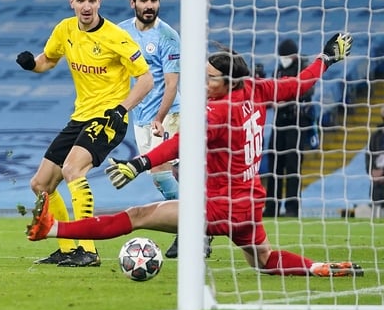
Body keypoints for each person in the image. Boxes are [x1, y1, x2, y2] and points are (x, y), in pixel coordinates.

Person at [26, 33, 365, 277]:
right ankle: (322, 268)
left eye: (210, 78)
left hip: (219, 205)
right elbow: (300, 83)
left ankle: (53, 229)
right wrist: (326, 59)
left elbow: (181, 143)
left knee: (139, 214)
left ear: (228, 81)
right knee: (263, 260)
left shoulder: (218, 112)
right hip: (249, 202)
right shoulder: (255, 89)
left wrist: (139, 163)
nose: (203, 82)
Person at [16, 0, 153, 267]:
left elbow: (146, 79)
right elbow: (48, 60)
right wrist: (32, 64)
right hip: (80, 117)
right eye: (81, 1)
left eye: (92, 1)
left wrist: (122, 108)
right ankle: (66, 249)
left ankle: (88, 249)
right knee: (40, 184)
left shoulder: (116, 37)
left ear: (99, 2)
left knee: (72, 169)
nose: (86, 7)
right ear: (72, 3)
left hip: (108, 118)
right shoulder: (65, 29)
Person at [117, 0, 194, 259]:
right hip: (141, 119)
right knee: (164, 176)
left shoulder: (168, 36)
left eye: (154, 0)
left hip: (169, 114)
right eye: (144, 0)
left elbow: (172, 84)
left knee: (163, 173)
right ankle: (196, 228)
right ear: (133, 2)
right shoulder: (121, 32)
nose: (150, 6)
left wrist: (160, 117)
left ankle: (192, 230)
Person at [263, 39, 315, 218]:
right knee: (274, 165)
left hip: (297, 123)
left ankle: (292, 209)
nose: (284, 59)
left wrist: (284, 102)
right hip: (279, 123)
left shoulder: (303, 68)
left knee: (293, 167)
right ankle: (272, 208)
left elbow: (306, 92)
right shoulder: (279, 69)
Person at [366, 106, 384, 217]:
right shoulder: (376, 136)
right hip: (377, 183)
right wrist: (372, 171)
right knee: (377, 213)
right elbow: (368, 156)